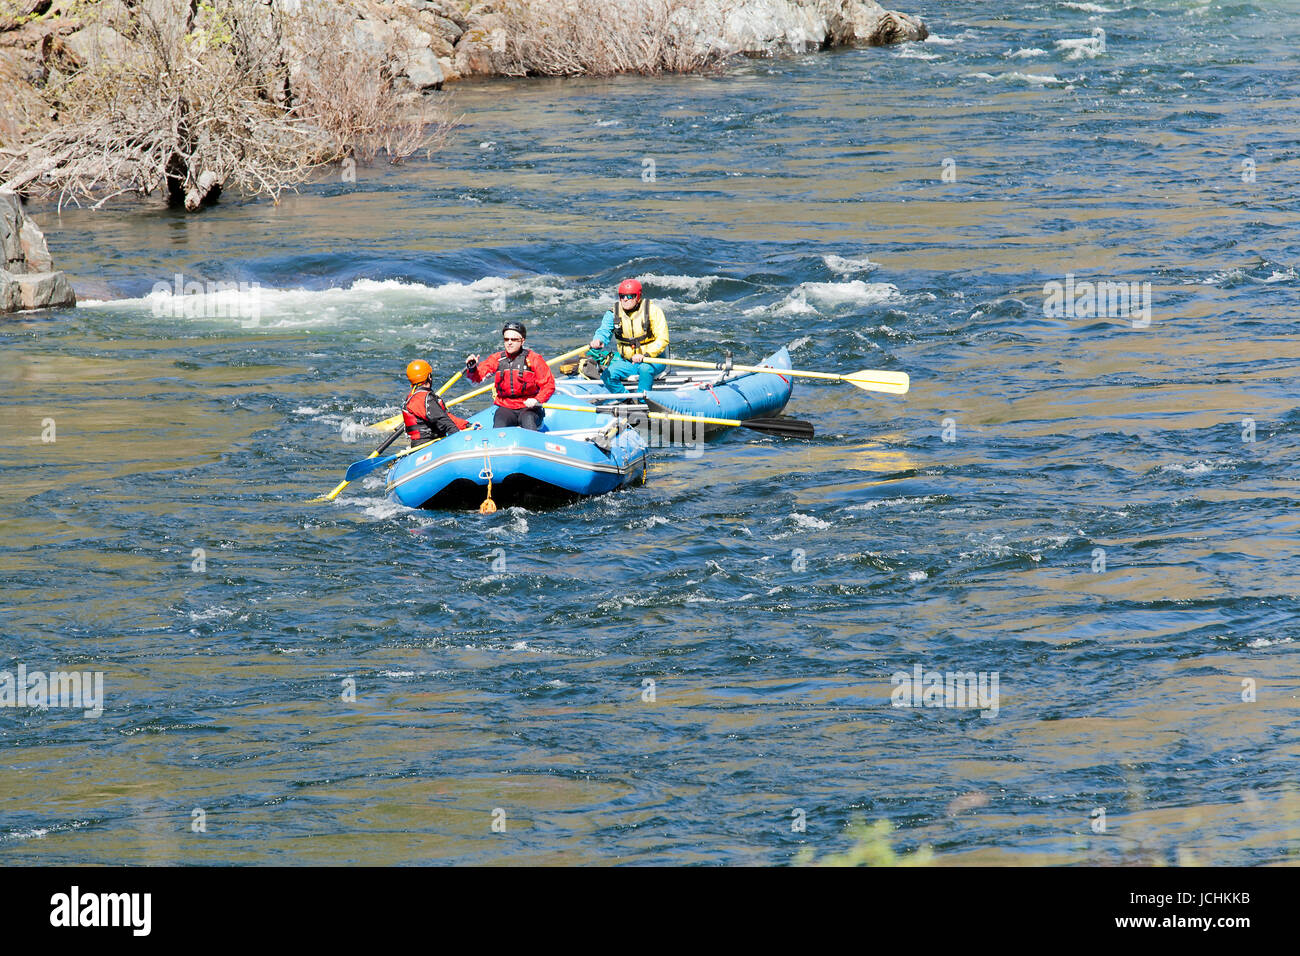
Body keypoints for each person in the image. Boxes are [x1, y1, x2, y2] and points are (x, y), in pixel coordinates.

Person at [464, 321, 556, 430]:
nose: (509, 343)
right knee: (500, 424)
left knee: (528, 420)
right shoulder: (497, 359)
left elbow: (549, 385)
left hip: (529, 407)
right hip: (506, 408)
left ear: (522, 341)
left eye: (514, 339)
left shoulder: (534, 359)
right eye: (506, 339)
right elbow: (476, 380)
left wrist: (537, 400)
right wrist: (472, 368)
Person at [589, 278, 668, 393]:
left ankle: (643, 402)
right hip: (629, 361)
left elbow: (663, 339)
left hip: (653, 359)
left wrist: (646, 355)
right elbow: (604, 330)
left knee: (645, 368)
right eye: (622, 296)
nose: (625, 299)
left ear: (638, 297)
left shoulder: (653, 311)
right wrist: (599, 340)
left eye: (630, 296)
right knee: (607, 375)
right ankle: (627, 400)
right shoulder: (613, 313)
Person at [402, 360, 470, 445]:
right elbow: (444, 422)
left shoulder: (412, 397)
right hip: (427, 445)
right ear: (429, 376)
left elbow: (446, 416)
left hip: (421, 443)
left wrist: (466, 426)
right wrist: (460, 440)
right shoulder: (425, 399)